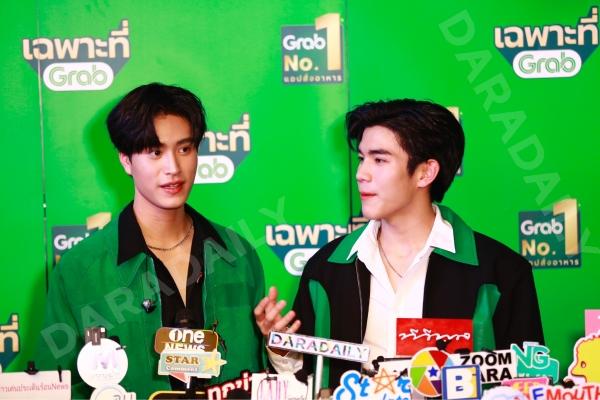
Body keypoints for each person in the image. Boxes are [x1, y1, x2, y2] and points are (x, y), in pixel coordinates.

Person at [254, 99, 544, 389]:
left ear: (425, 172)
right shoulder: (327, 268)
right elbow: (305, 380)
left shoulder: (501, 272)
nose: (361, 174)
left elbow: (528, 383)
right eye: (362, 158)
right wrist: (281, 346)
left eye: (379, 160)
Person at [37, 83, 265, 399]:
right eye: (155, 152)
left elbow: (267, 378)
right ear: (126, 160)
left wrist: (280, 352)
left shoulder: (238, 256)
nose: (173, 168)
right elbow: (52, 387)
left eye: (185, 149)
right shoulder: (79, 271)